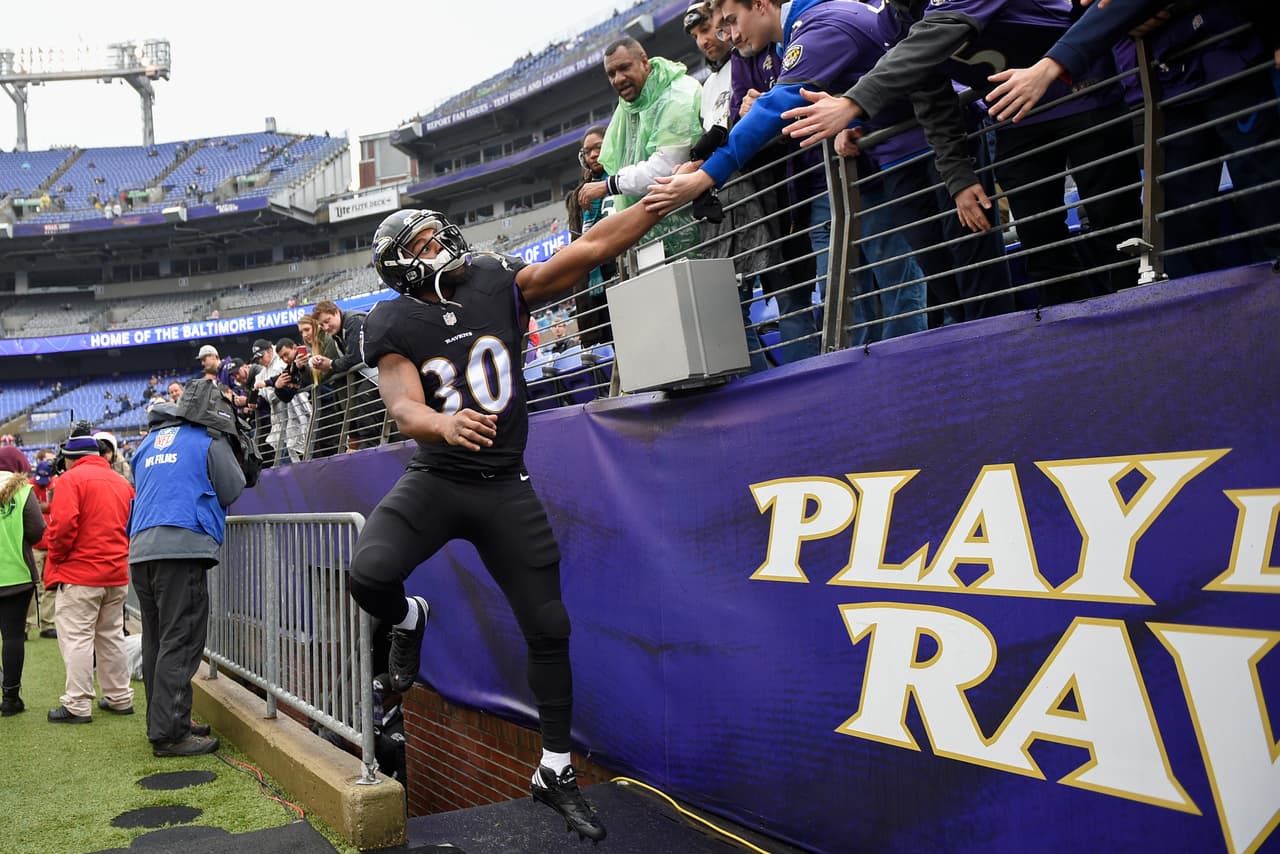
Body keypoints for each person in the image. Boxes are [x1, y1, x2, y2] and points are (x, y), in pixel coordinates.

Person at [348, 198, 664, 843]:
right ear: (400, 267)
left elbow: (591, 250)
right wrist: (444, 423)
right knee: (369, 573)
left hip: (504, 484)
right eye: (427, 243)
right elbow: (406, 409)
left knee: (549, 625)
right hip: (438, 477)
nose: (444, 246)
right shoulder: (391, 320)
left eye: (441, 233)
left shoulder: (494, 280)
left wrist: (658, 202)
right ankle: (410, 619)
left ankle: (553, 770)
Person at [776, 0, 1142, 303]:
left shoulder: (930, 18)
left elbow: (934, 38)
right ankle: (1081, 355)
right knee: (1041, 248)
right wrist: (959, 177)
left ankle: (1143, 330)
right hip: (1016, 118)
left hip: (1087, 94)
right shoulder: (893, 20)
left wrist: (853, 102)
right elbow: (932, 98)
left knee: (1115, 225)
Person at [129, 380, 248, 757]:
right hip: (182, 547)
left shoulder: (147, 443)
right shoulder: (206, 440)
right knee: (181, 640)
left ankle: (165, 719)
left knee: (156, 640)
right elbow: (233, 487)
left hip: (141, 551)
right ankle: (170, 734)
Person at [44, 427, 135, 724]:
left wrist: (57, 560)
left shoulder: (70, 479)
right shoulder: (121, 482)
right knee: (111, 636)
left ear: (71, 459)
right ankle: (119, 696)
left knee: (78, 639)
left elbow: (62, 528)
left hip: (80, 573)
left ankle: (78, 704)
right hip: (117, 572)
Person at [584, 37, 703, 261]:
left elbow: (667, 166)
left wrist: (609, 185)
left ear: (645, 62)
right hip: (648, 242)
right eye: (611, 74)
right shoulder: (630, 106)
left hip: (695, 234)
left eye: (624, 68)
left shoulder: (677, 95)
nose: (618, 79)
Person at [1, 445, 45, 716]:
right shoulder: (24, 491)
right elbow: (38, 530)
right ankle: (10, 698)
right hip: (17, 576)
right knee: (13, 636)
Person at [564, 126, 616, 349]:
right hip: (593, 290)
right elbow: (576, 239)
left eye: (598, 147)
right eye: (587, 151)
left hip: (619, 275)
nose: (593, 155)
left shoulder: (623, 178)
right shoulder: (577, 196)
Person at [311, 301, 376, 452]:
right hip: (370, 375)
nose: (326, 327)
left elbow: (355, 357)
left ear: (336, 311)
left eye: (327, 321)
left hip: (379, 374)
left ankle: (369, 446)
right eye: (322, 325)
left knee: (364, 397)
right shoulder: (338, 332)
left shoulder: (354, 321)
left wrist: (331, 364)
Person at [24, 451, 56, 639]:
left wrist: (43, 505)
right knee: (32, 587)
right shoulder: (29, 486)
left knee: (50, 586)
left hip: (51, 544)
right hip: (34, 546)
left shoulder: (55, 485)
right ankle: (26, 625)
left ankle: (47, 624)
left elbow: (54, 507)